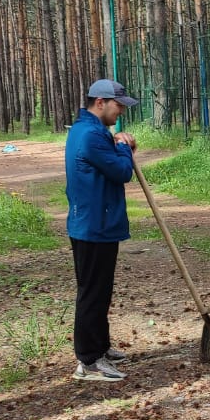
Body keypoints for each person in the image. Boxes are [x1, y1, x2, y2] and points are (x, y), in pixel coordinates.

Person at [65, 79, 140, 382]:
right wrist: (124, 148)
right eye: (118, 105)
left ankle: (100, 347)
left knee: (100, 291)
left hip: (98, 222)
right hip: (93, 225)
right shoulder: (91, 136)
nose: (121, 111)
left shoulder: (91, 131)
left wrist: (120, 145)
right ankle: (88, 361)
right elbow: (122, 171)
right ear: (100, 102)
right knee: (93, 293)